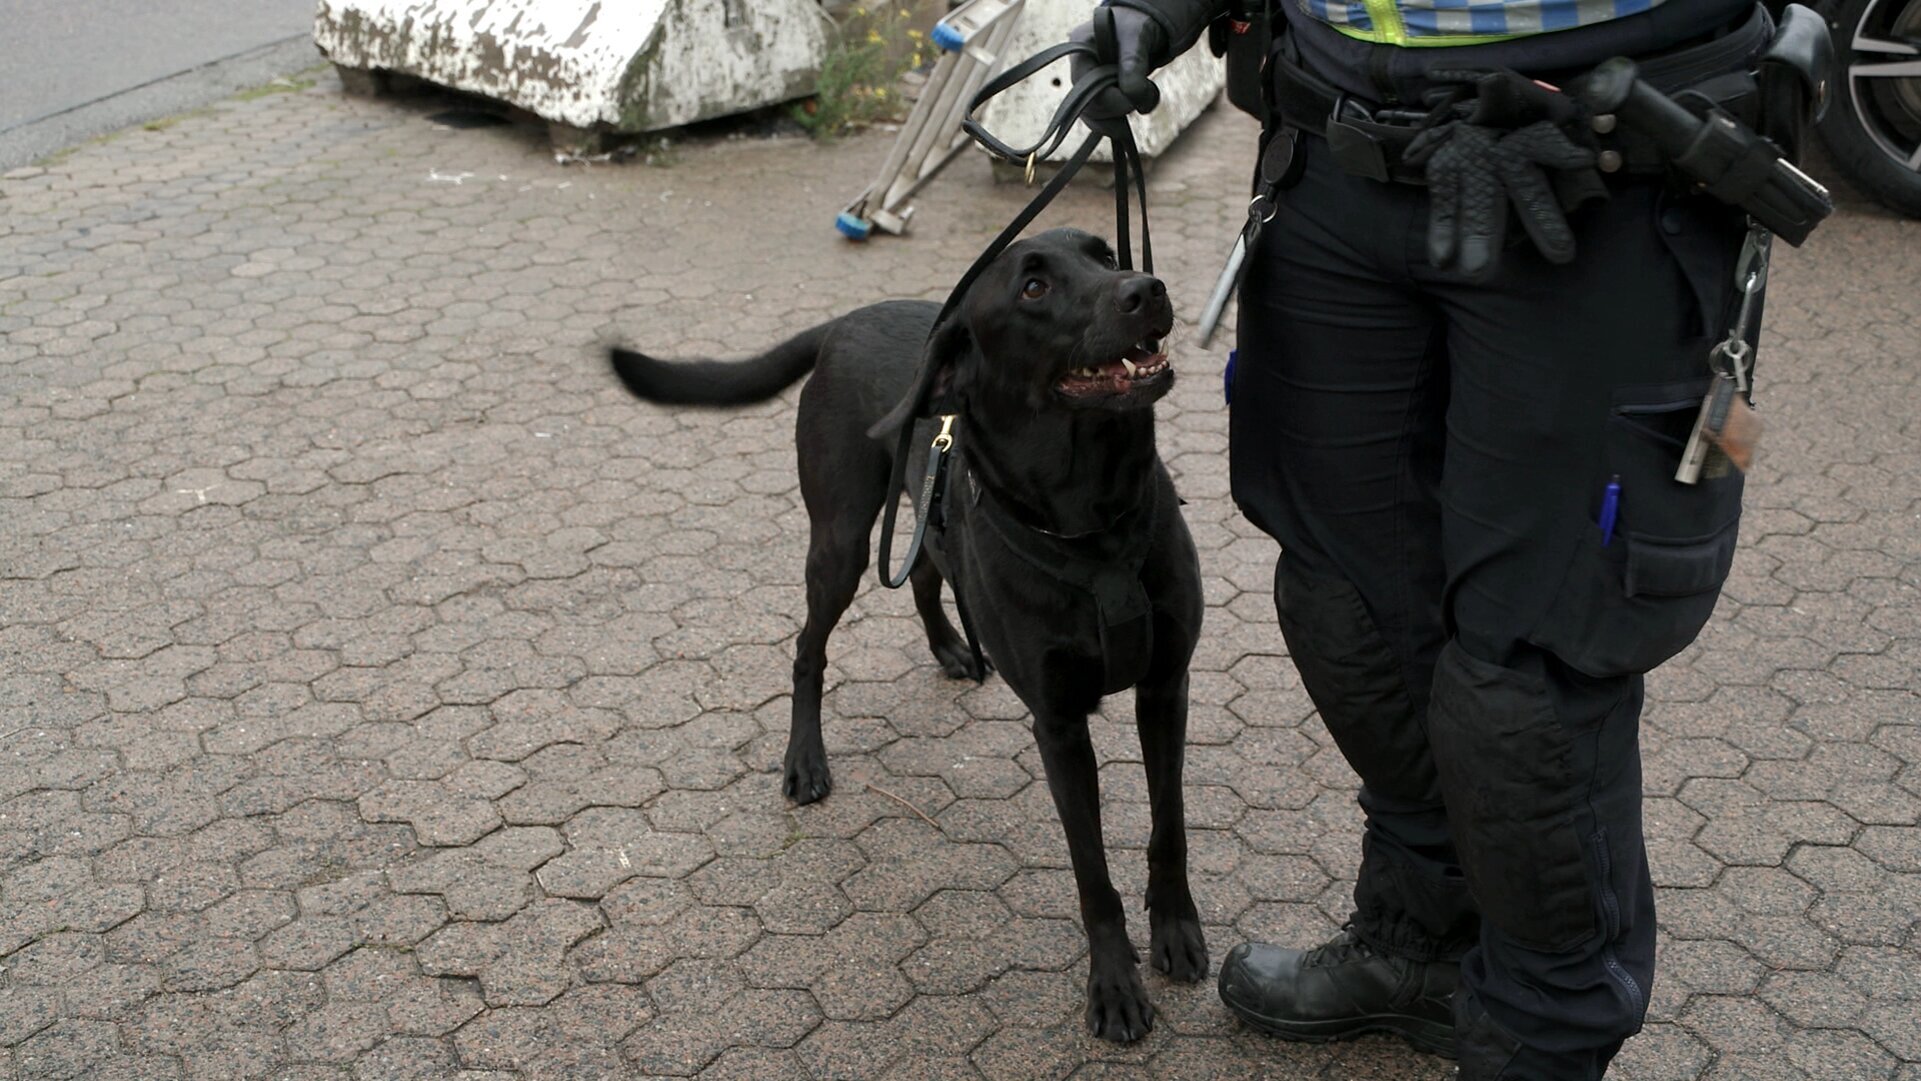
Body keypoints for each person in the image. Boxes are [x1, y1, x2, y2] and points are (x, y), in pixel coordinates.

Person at [1067, 0, 1824, 1075]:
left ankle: (1540, 1033)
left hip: (1605, 153)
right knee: (1344, 599)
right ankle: (1420, 936)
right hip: (1335, 140)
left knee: (1526, 679)